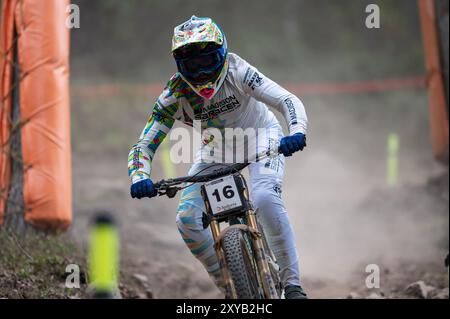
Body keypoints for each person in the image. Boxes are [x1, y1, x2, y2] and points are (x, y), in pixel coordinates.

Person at [128, 16, 308, 299]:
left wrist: (296, 130)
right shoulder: (174, 93)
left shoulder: (239, 70)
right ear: (180, 66)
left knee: (264, 199)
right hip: (216, 151)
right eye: (192, 65)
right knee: (187, 220)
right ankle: (229, 282)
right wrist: (139, 176)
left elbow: (287, 100)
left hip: (261, 137)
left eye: (206, 60)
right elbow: (144, 145)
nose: (200, 72)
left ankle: (293, 286)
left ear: (222, 54)